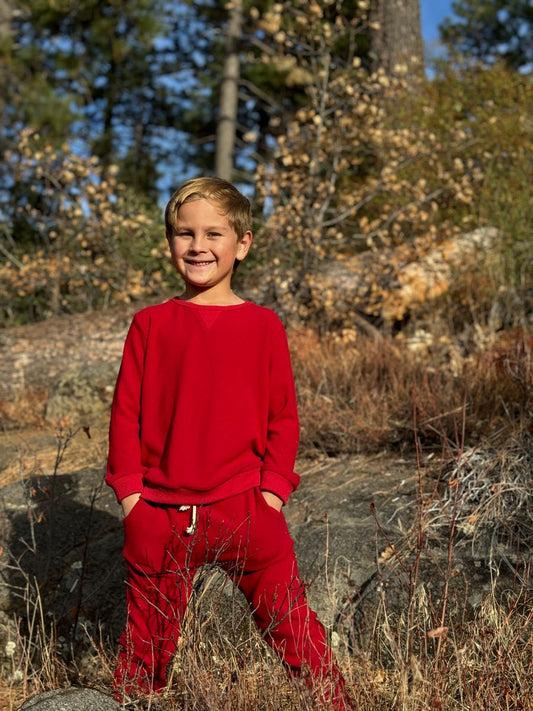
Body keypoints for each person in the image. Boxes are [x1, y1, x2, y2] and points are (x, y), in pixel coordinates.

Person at [106, 177, 352, 709]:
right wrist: (132, 498)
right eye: (185, 233)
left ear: (242, 244)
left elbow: (283, 417)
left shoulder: (263, 326)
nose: (198, 246)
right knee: (143, 658)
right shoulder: (149, 324)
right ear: (170, 241)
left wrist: (271, 495)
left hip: (244, 510)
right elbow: (125, 415)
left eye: (213, 234)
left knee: (297, 638)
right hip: (160, 515)